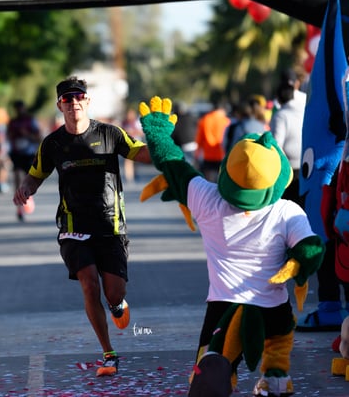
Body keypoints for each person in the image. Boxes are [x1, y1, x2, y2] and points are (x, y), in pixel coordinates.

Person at [138, 96, 324, 396]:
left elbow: (173, 164)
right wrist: (299, 263)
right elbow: (311, 248)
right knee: (277, 349)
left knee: (211, 365)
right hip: (274, 308)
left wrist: (158, 133)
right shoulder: (286, 211)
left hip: (222, 307)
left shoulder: (207, 198)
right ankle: (274, 378)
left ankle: (223, 375)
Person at [13, 76, 151, 377]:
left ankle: (117, 305)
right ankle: (108, 353)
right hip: (73, 224)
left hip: (110, 224)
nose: (73, 102)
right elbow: (36, 173)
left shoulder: (110, 133)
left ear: (87, 101)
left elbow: (142, 153)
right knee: (89, 284)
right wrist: (26, 189)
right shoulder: (53, 143)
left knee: (113, 293)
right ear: (59, 105)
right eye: (66, 99)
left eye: (78, 97)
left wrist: (162, 143)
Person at [270, 68, 306, 207]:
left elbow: (276, 144)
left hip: (290, 169)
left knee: (289, 208)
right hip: (307, 163)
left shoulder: (280, 114)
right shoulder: (305, 99)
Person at [7, 100, 41, 220]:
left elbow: (38, 137)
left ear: (24, 108)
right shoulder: (12, 122)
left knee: (28, 181)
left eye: (20, 108)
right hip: (17, 155)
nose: (19, 111)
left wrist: (26, 134)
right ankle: (19, 209)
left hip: (30, 154)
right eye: (17, 109)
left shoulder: (30, 121)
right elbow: (8, 137)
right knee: (17, 180)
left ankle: (28, 197)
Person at [194, 103, 230, 182]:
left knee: (208, 180)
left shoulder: (205, 119)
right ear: (222, 110)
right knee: (220, 180)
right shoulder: (226, 121)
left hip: (208, 155)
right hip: (222, 155)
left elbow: (199, 139)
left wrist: (196, 155)